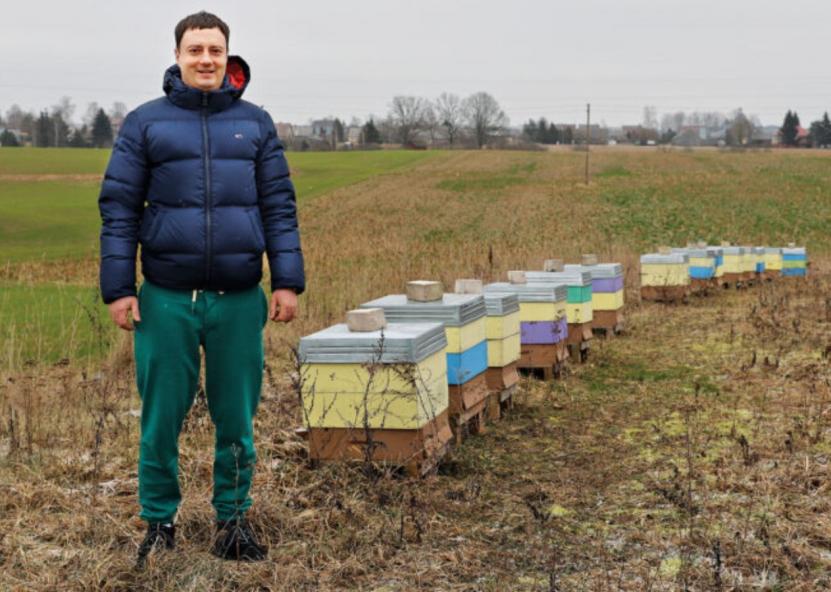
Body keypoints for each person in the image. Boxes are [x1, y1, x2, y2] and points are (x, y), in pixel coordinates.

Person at [98, 11, 304, 564]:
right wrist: (120, 287)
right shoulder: (145, 124)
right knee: (160, 418)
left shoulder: (256, 124)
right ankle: (159, 523)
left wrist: (286, 280)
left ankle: (233, 521)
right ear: (178, 56)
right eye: (195, 50)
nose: (206, 59)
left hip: (239, 300)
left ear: (228, 57)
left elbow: (279, 208)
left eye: (215, 49)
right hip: (166, 299)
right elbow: (119, 209)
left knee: (236, 419)